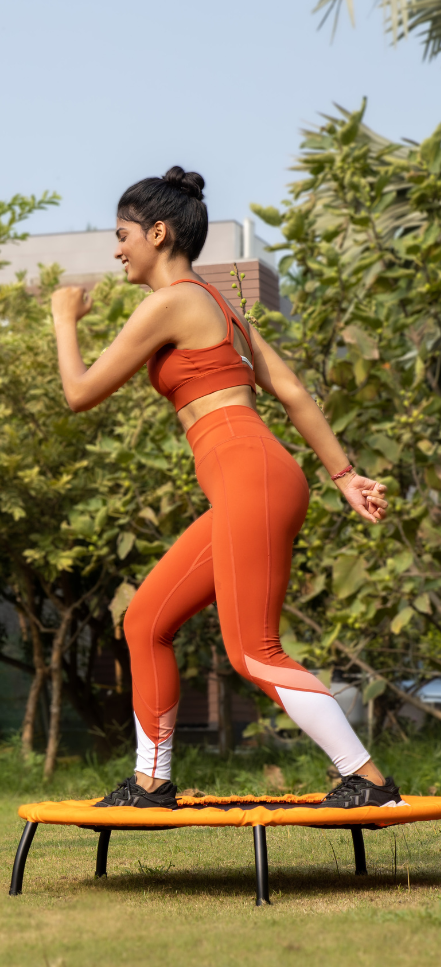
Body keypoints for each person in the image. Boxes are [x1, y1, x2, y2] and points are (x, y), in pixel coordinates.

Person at [50, 166, 400, 810]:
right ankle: (152, 781)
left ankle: (367, 778)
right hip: (256, 478)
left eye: (123, 234)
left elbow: (79, 393)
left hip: (250, 478)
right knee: (146, 620)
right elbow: (291, 391)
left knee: (253, 652)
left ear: (158, 233)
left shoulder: (173, 301)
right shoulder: (219, 306)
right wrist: (344, 477)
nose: (117, 248)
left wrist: (63, 317)